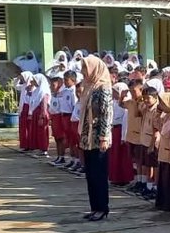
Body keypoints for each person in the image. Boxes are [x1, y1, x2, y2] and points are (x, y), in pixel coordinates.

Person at [78, 56, 113, 221]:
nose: (83, 71)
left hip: (99, 138)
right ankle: (94, 207)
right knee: (90, 174)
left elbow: (106, 114)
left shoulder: (103, 88)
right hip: (87, 137)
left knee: (99, 174)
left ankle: (102, 208)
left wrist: (104, 137)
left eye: (85, 68)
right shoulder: (89, 86)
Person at [108, 82, 135, 186]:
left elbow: (125, 120)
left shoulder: (126, 103)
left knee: (122, 155)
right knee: (114, 155)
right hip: (114, 130)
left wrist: (124, 136)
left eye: (115, 91)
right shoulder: (114, 102)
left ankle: (124, 178)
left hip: (121, 130)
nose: (113, 93)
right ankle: (115, 177)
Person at [138, 86, 161, 200]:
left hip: (153, 142)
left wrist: (152, 145)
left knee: (154, 166)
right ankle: (148, 186)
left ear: (156, 97)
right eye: (144, 98)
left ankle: (155, 187)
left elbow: (156, 130)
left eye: (148, 98)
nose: (146, 100)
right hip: (144, 140)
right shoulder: (146, 108)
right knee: (147, 165)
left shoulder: (157, 110)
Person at [17, 74, 48, 155]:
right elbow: (32, 101)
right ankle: (39, 148)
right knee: (36, 132)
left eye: (34, 80)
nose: (32, 82)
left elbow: (44, 105)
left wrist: (42, 116)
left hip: (40, 113)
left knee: (42, 132)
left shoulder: (43, 90)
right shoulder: (37, 90)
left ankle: (44, 148)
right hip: (35, 113)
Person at [50, 71, 76, 167]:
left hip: (70, 117)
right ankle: (70, 159)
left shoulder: (74, 91)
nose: (65, 82)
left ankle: (76, 160)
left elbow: (73, 106)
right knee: (68, 139)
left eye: (66, 80)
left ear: (73, 80)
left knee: (73, 141)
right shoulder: (65, 92)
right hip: (63, 116)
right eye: (64, 80)